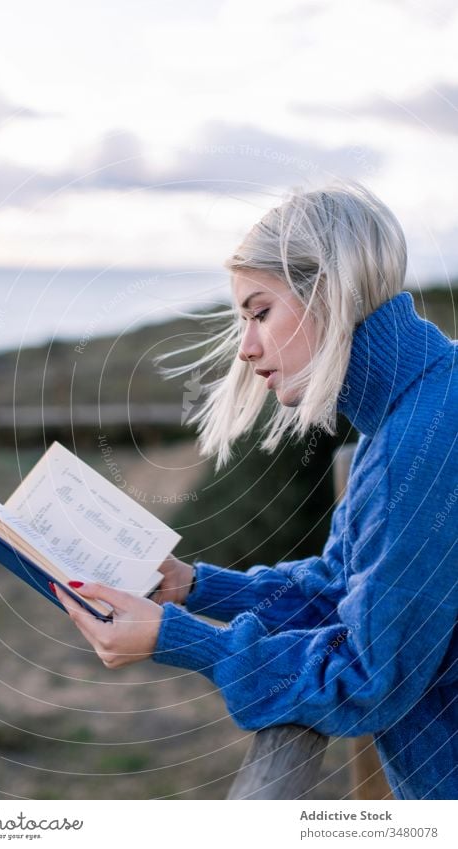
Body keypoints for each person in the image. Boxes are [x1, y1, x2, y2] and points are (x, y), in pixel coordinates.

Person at [54, 180, 457, 801]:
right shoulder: (418, 408)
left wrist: (179, 638)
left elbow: (366, 677)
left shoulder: (422, 442)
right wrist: (193, 586)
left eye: (259, 312)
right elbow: (345, 590)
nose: (245, 349)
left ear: (329, 292)